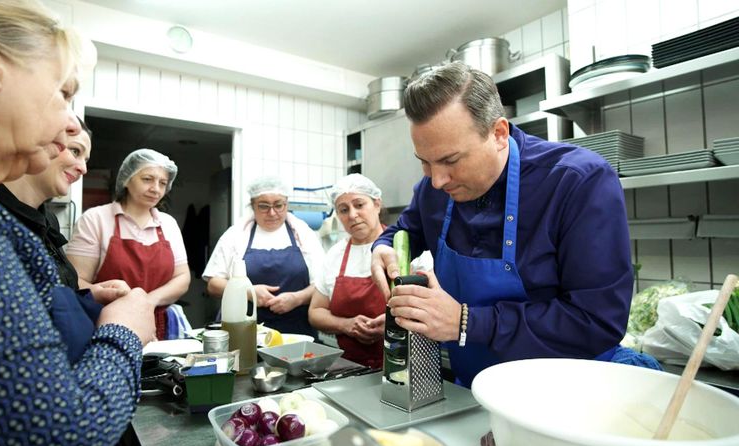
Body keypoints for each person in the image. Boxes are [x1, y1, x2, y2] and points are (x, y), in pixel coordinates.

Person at [0, 1, 156, 446]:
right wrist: (124, 333)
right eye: (63, 94)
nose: (65, 125)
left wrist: (83, 300)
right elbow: (60, 436)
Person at [371, 61, 657, 389]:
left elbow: (596, 321)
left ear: (498, 134)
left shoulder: (578, 182)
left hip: (571, 393)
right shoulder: (434, 190)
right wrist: (383, 247)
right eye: (425, 161)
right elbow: (405, 229)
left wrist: (466, 322)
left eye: (450, 161)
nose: (437, 180)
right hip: (477, 392)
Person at [0, 116, 132, 363]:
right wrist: (121, 332)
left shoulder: (48, 221)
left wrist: (92, 292)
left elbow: (51, 294)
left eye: (86, 159)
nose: (83, 168)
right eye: (75, 151)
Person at [67, 149, 190, 341]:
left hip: (161, 329)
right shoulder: (96, 219)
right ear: (127, 179)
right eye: (147, 179)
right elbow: (75, 281)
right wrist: (120, 300)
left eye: (163, 183)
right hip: (106, 326)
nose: (156, 189)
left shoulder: (168, 224)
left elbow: (182, 277)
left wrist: (148, 302)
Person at [204, 175, 324, 338]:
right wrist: (247, 292)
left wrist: (297, 298)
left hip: (296, 332)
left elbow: (323, 285)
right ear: (253, 206)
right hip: (243, 332)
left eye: (278, 205)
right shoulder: (235, 235)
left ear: (286, 204)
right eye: (263, 206)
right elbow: (213, 285)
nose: (272, 212)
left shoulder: (304, 235)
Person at [308, 174, 387, 368]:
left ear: (377, 204)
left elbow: (428, 304)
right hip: (350, 367)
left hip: (402, 366)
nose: (352, 215)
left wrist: (393, 324)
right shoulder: (335, 254)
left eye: (359, 205)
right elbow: (315, 312)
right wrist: (346, 325)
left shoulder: (403, 246)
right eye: (343, 210)